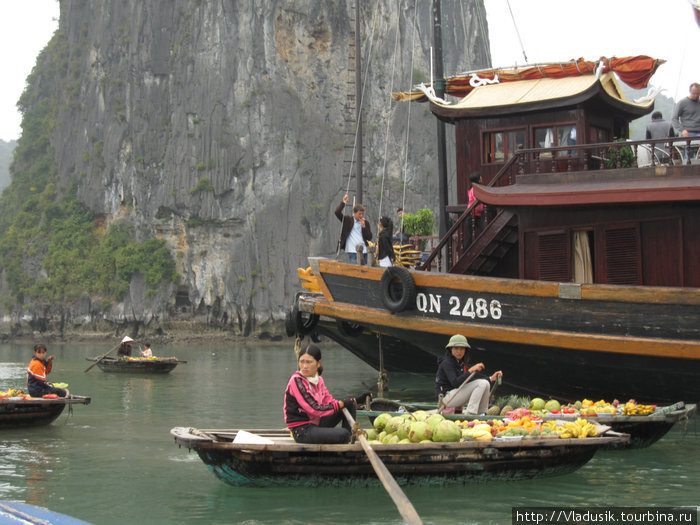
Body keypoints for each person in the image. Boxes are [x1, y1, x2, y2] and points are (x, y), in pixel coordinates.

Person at [284, 344, 372, 444]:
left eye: (309, 362)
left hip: (316, 423)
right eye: (302, 362)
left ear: (318, 363)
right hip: (302, 430)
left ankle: (348, 438)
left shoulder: (319, 380)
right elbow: (314, 409)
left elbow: (329, 402)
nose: (304, 366)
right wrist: (340, 404)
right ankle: (347, 438)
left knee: (349, 405)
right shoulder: (296, 381)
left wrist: (356, 400)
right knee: (343, 434)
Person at [435, 334, 502, 415]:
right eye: (456, 348)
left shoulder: (460, 363)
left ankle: (482, 413)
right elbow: (455, 383)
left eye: (462, 349)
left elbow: (470, 380)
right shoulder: (447, 363)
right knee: (481, 383)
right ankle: (471, 413)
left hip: (455, 395)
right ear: (450, 349)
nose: (459, 352)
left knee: (486, 383)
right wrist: (470, 370)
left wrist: (491, 378)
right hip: (446, 398)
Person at [334, 193, 372, 264]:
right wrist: (343, 202)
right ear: (354, 213)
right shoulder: (348, 220)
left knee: (365, 270)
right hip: (353, 250)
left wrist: (364, 227)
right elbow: (337, 212)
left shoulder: (365, 222)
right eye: (359, 214)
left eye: (362, 214)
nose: (361, 216)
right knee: (355, 269)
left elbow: (369, 237)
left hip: (364, 250)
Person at [467, 172, 485, 238]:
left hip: (477, 214)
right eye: (480, 176)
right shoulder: (474, 189)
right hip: (472, 214)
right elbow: (477, 199)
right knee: (471, 238)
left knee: (483, 231)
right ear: (477, 179)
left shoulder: (475, 188)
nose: (481, 177)